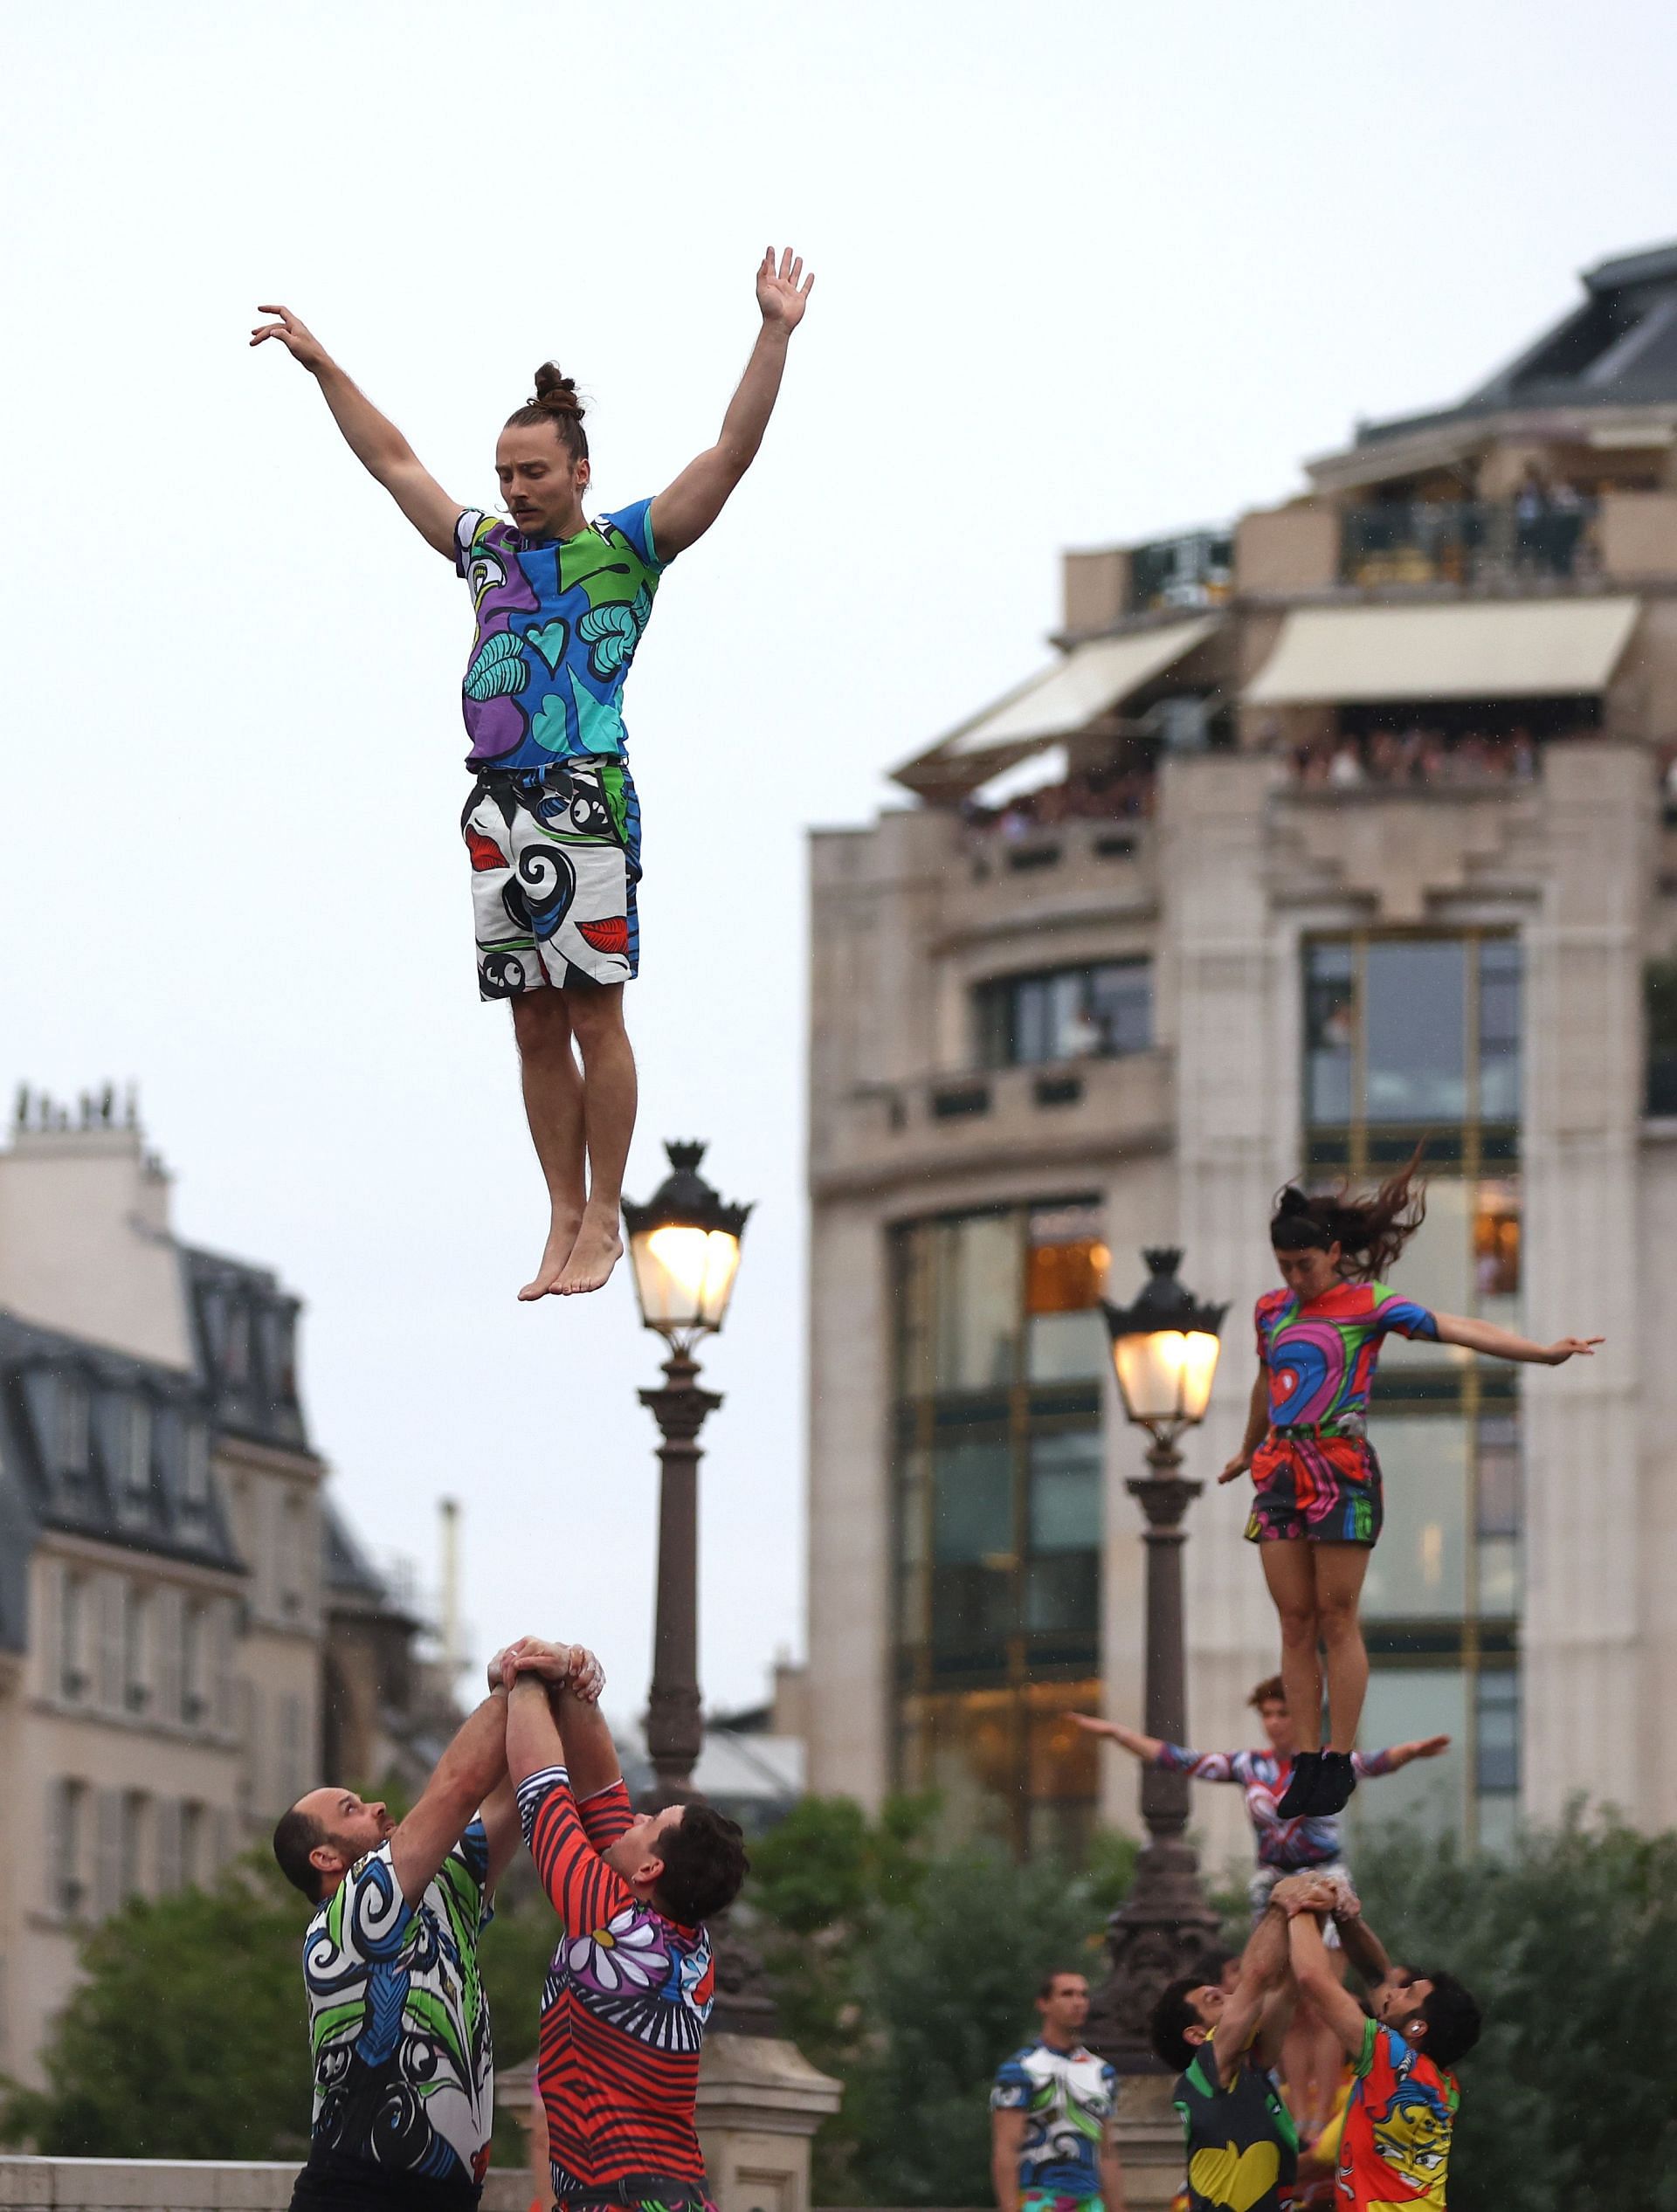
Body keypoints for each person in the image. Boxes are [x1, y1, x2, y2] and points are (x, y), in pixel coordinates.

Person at [252, 248, 815, 1302]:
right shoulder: (484, 555)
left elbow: (729, 455)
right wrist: (325, 366)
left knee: (594, 1012)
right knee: (529, 1018)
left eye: (533, 473)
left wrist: (773, 333)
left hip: (582, 796)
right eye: (505, 475)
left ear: (579, 472)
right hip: (496, 805)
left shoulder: (630, 545)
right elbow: (395, 463)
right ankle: (561, 1208)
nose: (512, 491)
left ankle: (607, 1212)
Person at [1218, 1164, 1601, 1818]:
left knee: (1336, 1617)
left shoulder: (1369, 1304)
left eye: (1305, 1263)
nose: (1294, 1277)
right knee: (1293, 1620)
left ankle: (1339, 1757)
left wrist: (1541, 1352)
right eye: (1284, 1264)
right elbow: (1265, 1381)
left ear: (1335, 1252)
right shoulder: (1270, 1310)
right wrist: (1247, 1446)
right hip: (1281, 1468)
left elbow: (1458, 1327)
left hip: (1340, 1467)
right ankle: (1305, 1762)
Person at [271, 1644, 604, 2212]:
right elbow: (458, 1786)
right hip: (361, 2195)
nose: (376, 1805)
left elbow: (515, 1797)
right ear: (325, 1858)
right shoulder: (348, 1917)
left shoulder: (440, 1891)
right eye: (351, 1808)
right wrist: (507, 1684)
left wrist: (552, 1688)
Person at [497, 1636, 749, 2212]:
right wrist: (579, 1683)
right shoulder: (686, 1945)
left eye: (651, 1818)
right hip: (676, 2197)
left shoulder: (607, 1919)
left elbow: (542, 1785)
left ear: (651, 1867)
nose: (635, 1813)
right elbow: (604, 1795)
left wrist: (528, 1673)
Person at [1282, 1880, 1480, 2209]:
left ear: (1418, 2027)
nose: (1395, 1991)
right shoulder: (1440, 2082)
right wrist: (1347, 1918)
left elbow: (1312, 1979)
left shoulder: (1393, 2062)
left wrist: (1298, 1900)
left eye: (1408, 1993)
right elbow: (1377, 1976)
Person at [1149, 1881, 1308, 2212]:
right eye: (1215, 1999)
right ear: (1196, 2035)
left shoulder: (1254, 2068)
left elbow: (1288, 1987)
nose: (1234, 1997)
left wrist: (1310, 1912)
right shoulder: (1207, 2071)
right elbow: (1260, 1974)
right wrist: (1279, 1905)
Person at [990, 1969, 1124, 2212]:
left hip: (1089, 2198)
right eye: (1067, 1994)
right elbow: (1006, 2148)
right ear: (1044, 2004)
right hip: (1039, 2196)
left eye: (1083, 1995)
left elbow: (1106, 2152)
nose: (1078, 2002)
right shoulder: (1021, 2069)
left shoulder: (1102, 2072)